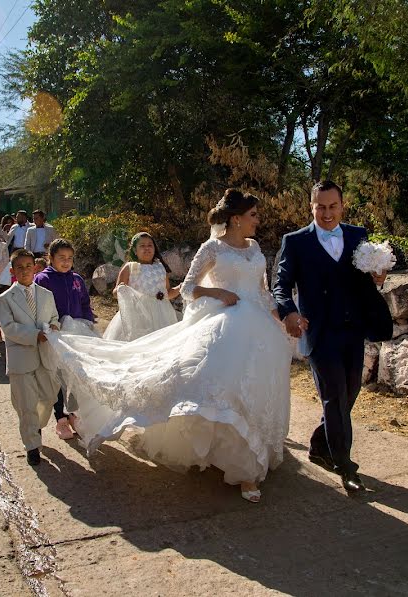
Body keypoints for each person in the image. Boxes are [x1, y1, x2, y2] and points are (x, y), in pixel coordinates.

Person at [46, 189, 293, 502]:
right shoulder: (212, 247)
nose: (258, 220)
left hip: (258, 328)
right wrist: (219, 294)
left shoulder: (255, 246)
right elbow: (188, 287)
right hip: (224, 325)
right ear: (235, 219)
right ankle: (243, 469)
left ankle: (253, 453)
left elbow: (263, 291)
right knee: (223, 389)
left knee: (255, 390)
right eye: (253, 215)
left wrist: (279, 320)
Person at [273, 180, 390, 493]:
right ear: (311, 207)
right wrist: (289, 312)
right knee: (335, 396)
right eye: (320, 207)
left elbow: (367, 280)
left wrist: (378, 277)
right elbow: (281, 284)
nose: (326, 213)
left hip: (353, 330)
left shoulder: (357, 236)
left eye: (332, 206)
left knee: (349, 393)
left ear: (342, 205)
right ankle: (346, 465)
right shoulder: (295, 241)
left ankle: (319, 444)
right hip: (319, 333)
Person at [0, 250, 61, 466]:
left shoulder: (46, 294)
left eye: (28, 266)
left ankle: (35, 427)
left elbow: (54, 317)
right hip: (21, 358)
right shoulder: (6, 298)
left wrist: (54, 325)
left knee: (48, 397)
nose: (25, 271)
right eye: (19, 268)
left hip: (45, 356)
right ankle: (32, 445)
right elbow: (9, 327)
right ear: (13, 271)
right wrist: (35, 335)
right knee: (26, 404)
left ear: (35, 267)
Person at [35, 238, 95, 440]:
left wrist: (88, 321)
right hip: (55, 335)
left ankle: (74, 415)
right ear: (50, 258)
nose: (66, 262)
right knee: (58, 379)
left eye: (70, 258)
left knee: (76, 377)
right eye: (61, 257)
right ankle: (60, 419)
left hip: (77, 334)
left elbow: (85, 303)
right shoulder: (43, 279)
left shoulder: (77, 279)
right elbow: (37, 307)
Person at [105, 232, 180, 341]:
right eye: (142, 246)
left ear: (154, 248)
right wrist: (121, 289)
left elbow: (167, 293)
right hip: (137, 315)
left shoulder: (160, 267)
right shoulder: (129, 267)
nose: (147, 248)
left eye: (150, 245)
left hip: (161, 315)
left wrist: (180, 288)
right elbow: (116, 292)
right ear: (135, 250)